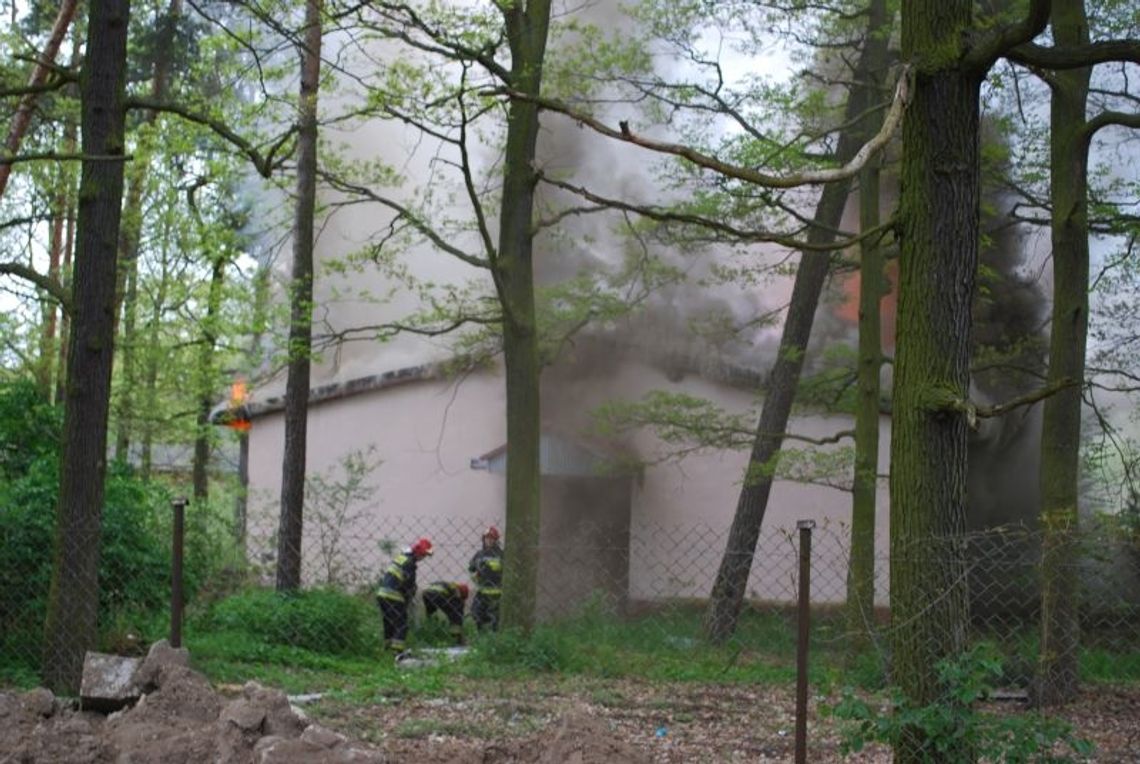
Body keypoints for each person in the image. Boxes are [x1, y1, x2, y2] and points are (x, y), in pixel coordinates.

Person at [376, 537, 432, 654]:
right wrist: (410, 596)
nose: (423, 558)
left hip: (382, 594)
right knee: (402, 625)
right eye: (424, 555)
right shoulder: (410, 563)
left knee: (389, 623)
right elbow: (408, 584)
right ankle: (397, 653)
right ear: (419, 552)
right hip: (394, 596)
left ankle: (387, 650)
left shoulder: (401, 558)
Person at [468, 525, 503, 632]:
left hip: (497, 593)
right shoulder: (479, 554)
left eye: (491, 538)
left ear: (496, 540)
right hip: (482, 592)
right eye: (486, 538)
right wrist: (475, 577)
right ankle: (481, 636)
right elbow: (471, 569)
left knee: (494, 618)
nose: (489, 540)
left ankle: (493, 639)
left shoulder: (501, 555)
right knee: (476, 614)